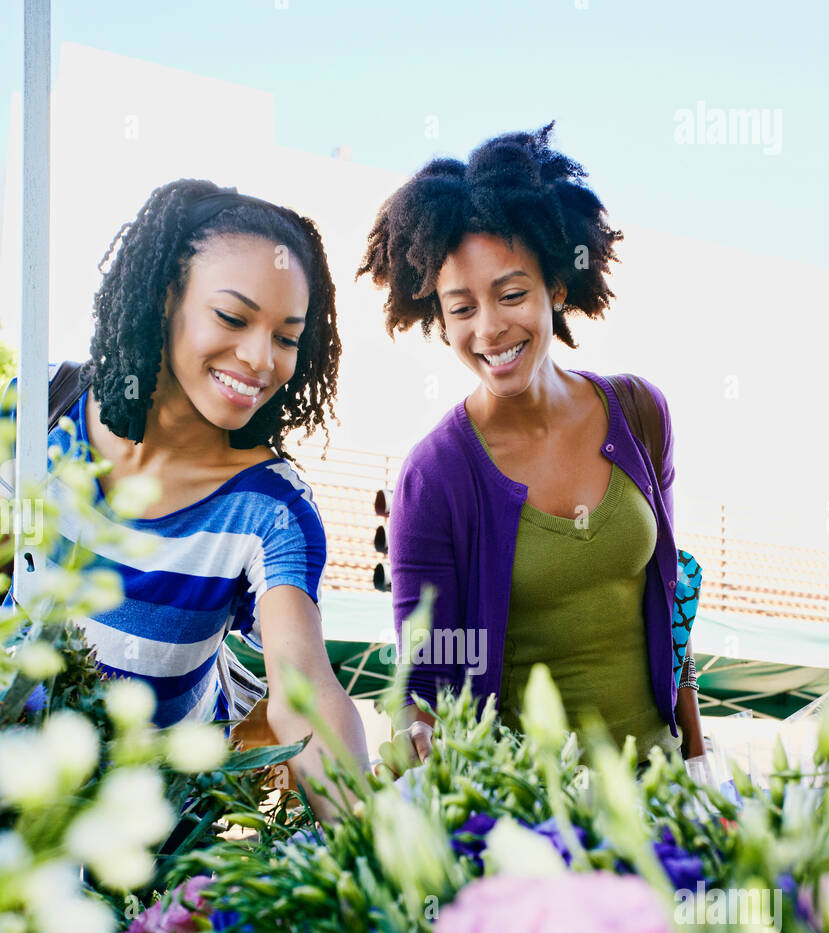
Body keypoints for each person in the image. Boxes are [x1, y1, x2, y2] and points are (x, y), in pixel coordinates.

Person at [1, 179, 370, 821]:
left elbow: (303, 689)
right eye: (232, 317)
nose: (260, 359)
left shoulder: (272, 509)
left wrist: (368, 845)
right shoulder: (38, 409)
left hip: (150, 838)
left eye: (286, 337)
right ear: (165, 298)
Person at [357, 123, 704, 768]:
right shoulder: (436, 475)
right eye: (460, 308)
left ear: (558, 288)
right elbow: (427, 686)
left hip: (664, 800)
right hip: (530, 817)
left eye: (511, 294)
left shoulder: (639, 414)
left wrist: (700, 767)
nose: (489, 328)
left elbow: (671, 616)